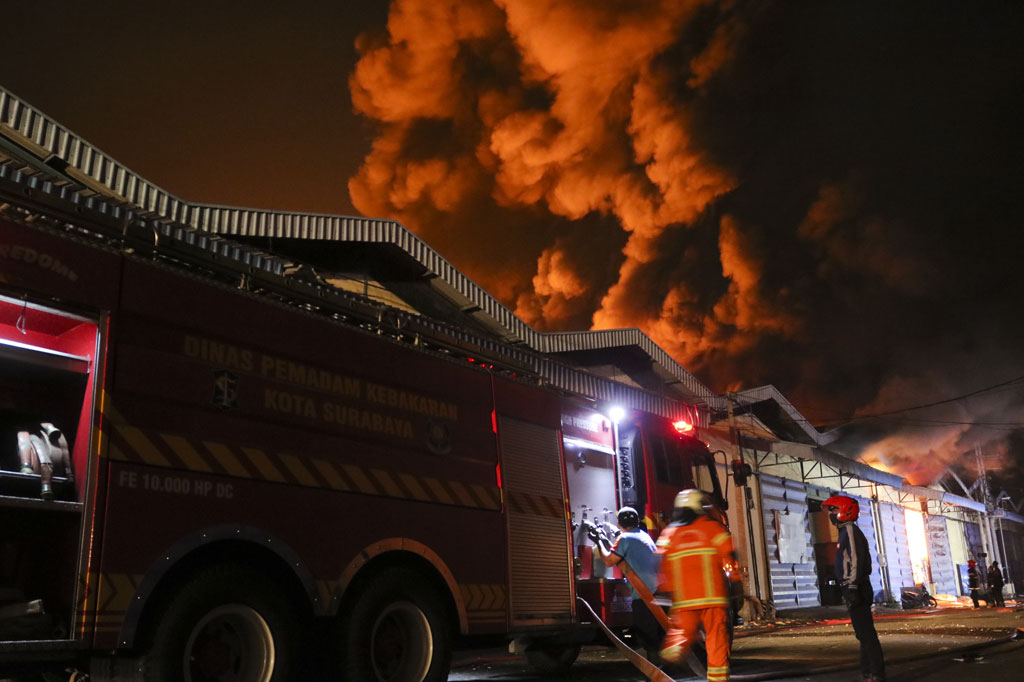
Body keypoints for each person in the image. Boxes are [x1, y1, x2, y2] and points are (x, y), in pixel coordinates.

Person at [657, 489, 742, 682]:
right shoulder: (712, 528)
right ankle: (718, 679)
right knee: (716, 640)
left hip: (685, 599)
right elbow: (729, 555)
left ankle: (675, 645)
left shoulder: (669, 534)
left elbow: (664, 564)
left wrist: (668, 589)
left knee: (682, 628)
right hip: (713, 597)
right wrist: (735, 578)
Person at [822, 495, 886, 682]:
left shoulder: (849, 530)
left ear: (844, 511)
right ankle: (869, 673)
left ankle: (876, 674)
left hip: (857, 588)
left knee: (866, 634)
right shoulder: (844, 532)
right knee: (863, 634)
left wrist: (852, 587)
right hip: (853, 587)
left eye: (833, 510)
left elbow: (856, 559)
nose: (831, 515)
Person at [591, 506, 664, 658]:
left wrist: (598, 541)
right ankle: (665, 668)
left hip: (643, 596)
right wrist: (608, 537)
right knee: (657, 636)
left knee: (648, 638)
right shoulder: (644, 536)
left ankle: (656, 672)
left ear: (619, 523)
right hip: (656, 593)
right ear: (637, 522)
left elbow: (609, 560)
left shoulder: (623, 539)